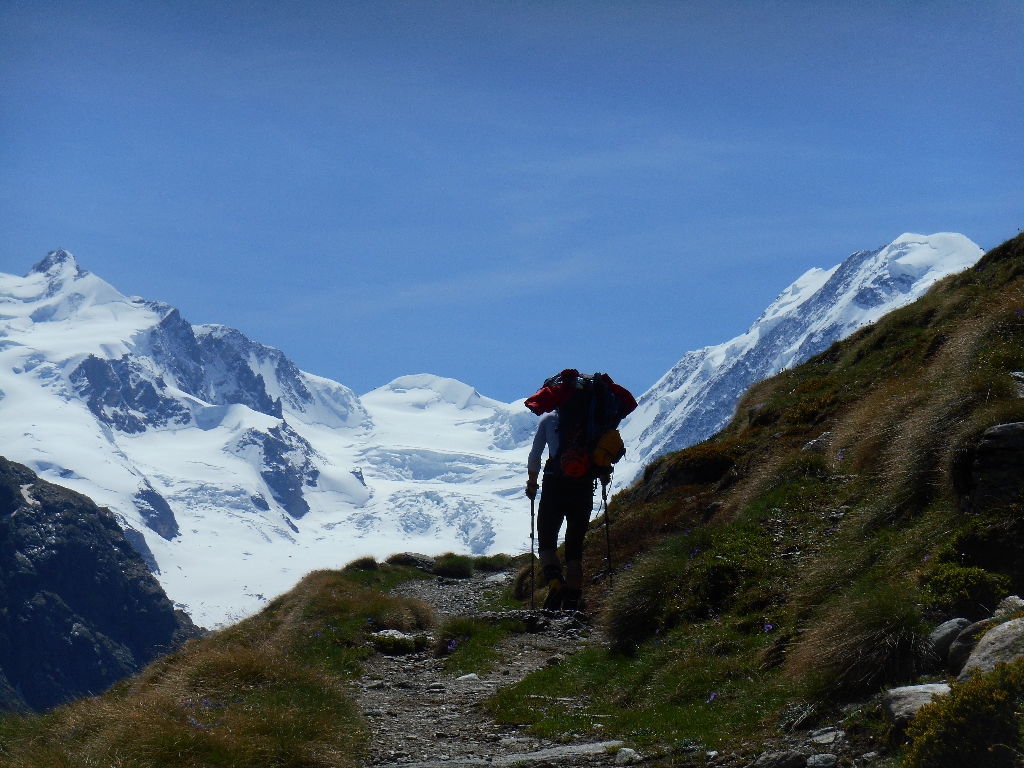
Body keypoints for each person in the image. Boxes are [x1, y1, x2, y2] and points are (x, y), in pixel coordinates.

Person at [525, 408, 600, 611]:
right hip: (583, 486)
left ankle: (556, 584)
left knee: (547, 542)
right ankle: (572, 604)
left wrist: (532, 483)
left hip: (554, 483)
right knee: (574, 549)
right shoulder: (594, 418)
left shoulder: (549, 420)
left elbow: (535, 456)